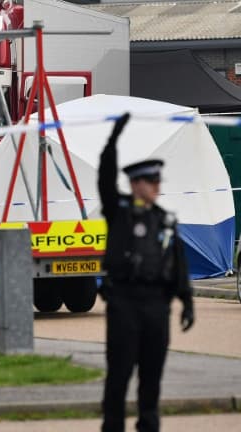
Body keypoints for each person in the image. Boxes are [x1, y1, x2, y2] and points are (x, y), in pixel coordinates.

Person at [98, 113, 195, 432]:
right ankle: (113, 426)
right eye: (151, 182)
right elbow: (105, 179)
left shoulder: (164, 220)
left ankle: (149, 426)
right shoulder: (120, 211)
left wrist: (187, 301)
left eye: (157, 182)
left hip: (157, 305)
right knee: (120, 372)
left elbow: (177, 264)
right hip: (125, 301)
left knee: (152, 374)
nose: (157, 187)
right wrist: (113, 141)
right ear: (136, 184)